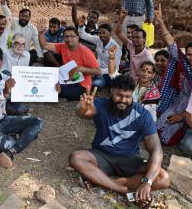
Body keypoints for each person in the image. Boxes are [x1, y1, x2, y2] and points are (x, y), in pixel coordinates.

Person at [69, 75, 170, 205]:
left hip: (129, 159)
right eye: (119, 95)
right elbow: (84, 113)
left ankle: (105, 180)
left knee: (163, 178)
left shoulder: (143, 116)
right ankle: (122, 189)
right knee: (76, 157)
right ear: (112, 92)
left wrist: (147, 182)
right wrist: (82, 108)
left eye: (127, 97)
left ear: (132, 95)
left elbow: (156, 150)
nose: (123, 100)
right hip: (101, 156)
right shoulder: (100, 104)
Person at [154, 4, 192, 146]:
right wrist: (161, 22)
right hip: (179, 103)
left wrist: (181, 117)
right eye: (189, 54)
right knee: (157, 128)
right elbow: (171, 44)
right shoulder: (185, 64)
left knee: (170, 139)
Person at [38, 23, 100, 100]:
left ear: (78, 37)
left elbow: (98, 71)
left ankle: (76, 95)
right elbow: (45, 45)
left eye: (72, 36)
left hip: (81, 84)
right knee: (48, 82)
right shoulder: (63, 46)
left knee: (56, 89)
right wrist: (40, 33)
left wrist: (80, 69)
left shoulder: (85, 51)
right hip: (66, 79)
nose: (69, 39)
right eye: (66, 36)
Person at [76, 18, 121, 89]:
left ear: (110, 33)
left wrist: (95, 71)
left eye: (104, 33)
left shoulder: (116, 47)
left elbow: (114, 68)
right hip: (96, 68)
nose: (101, 35)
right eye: (100, 33)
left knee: (96, 84)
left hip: (107, 73)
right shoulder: (98, 40)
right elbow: (83, 35)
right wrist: (81, 26)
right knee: (79, 72)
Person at [116, 10, 153, 81]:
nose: (134, 39)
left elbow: (146, 78)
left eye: (138, 37)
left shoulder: (147, 57)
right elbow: (118, 33)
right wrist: (122, 19)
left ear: (144, 39)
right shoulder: (131, 45)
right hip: (130, 76)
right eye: (133, 37)